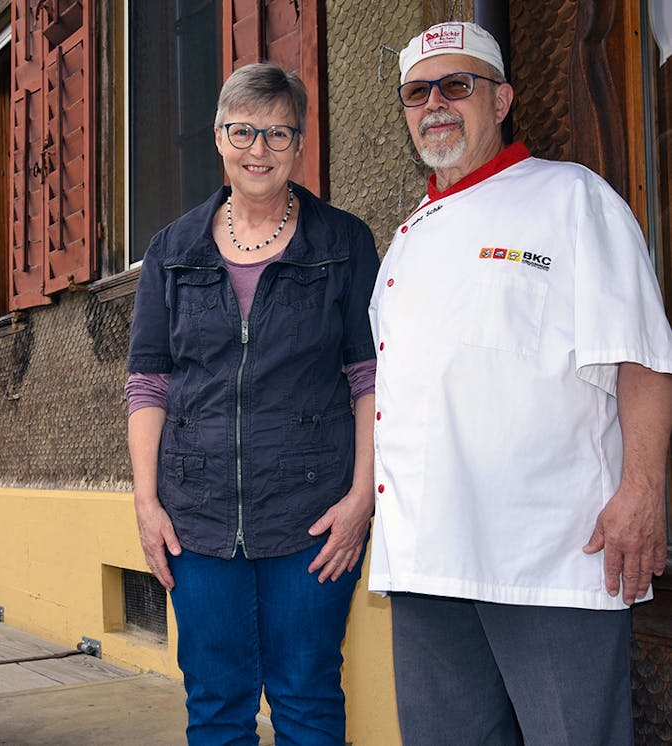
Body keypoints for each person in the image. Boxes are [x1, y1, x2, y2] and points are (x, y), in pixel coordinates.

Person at [370, 20, 672, 746]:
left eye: (457, 85)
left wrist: (642, 494)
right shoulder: (405, 241)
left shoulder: (574, 199)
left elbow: (642, 360)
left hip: (550, 557)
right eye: (418, 92)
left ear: (501, 99)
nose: (435, 104)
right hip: (427, 563)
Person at [126, 62, 379, 745]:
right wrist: (147, 504)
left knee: (307, 694)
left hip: (314, 514)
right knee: (215, 701)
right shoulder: (170, 252)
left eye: (277, 133)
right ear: (218, 137)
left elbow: (368, 376)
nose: (258, 150)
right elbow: (149, 381)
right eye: (243, 131)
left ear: (300, 145)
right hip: (197, 519)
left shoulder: (344, 243)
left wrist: (362, 498)